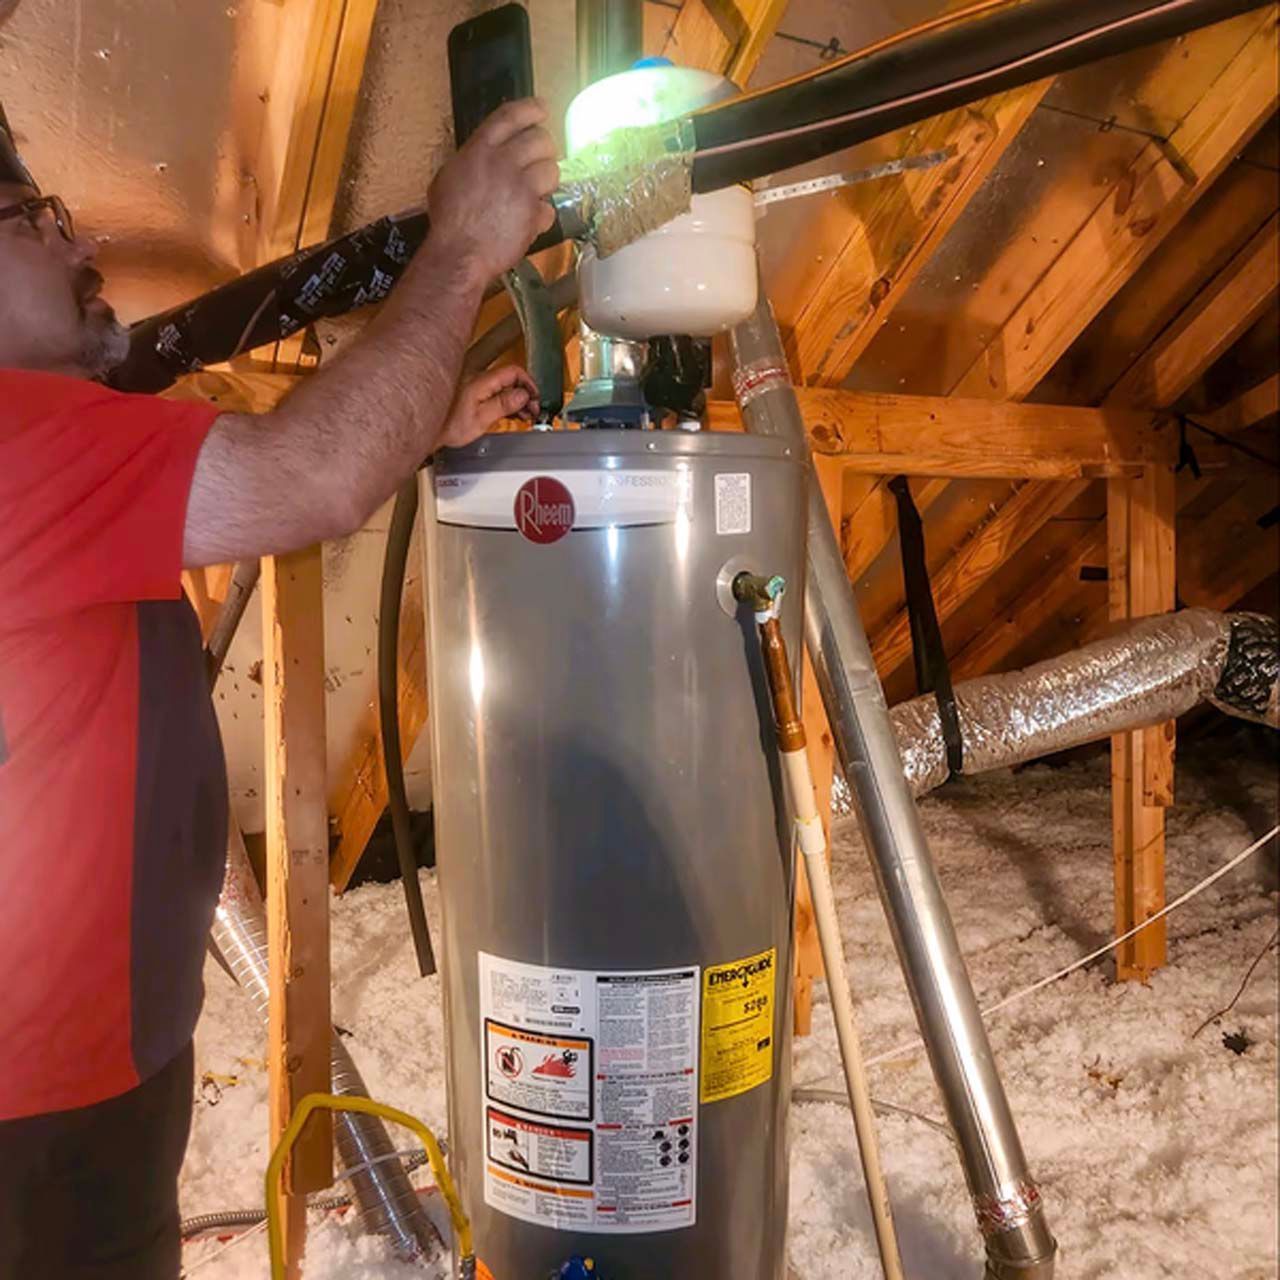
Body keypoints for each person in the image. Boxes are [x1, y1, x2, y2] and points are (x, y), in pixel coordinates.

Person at [0, 96, 559, 1279]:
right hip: (37, 1105)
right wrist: (460, 247)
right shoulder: (15, 434)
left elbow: (263, 485)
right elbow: (307, 477)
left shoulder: (57, 453)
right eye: (29, 222)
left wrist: (413, 424)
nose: (83, 247)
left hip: (88, 1063)